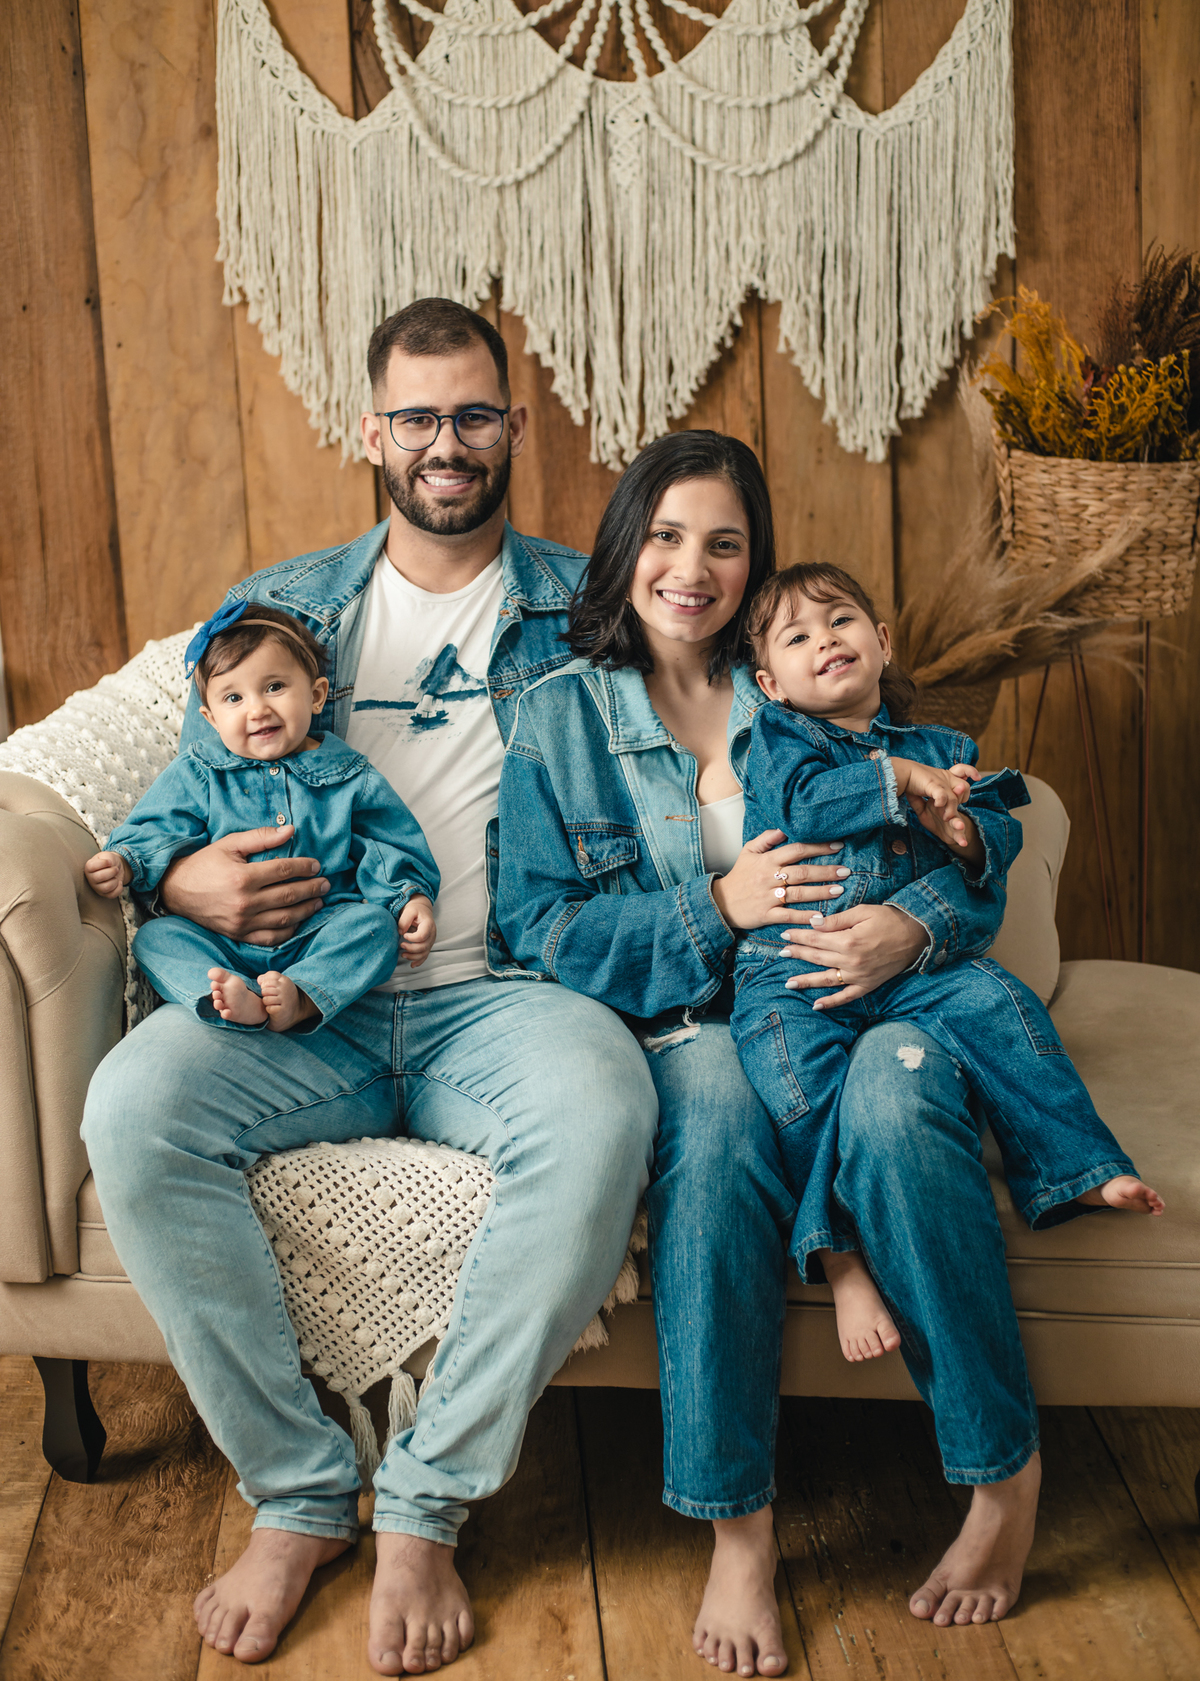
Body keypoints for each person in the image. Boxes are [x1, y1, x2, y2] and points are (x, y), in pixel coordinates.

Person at [81, 298, 659, 1677]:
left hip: (501, 992)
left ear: (515, 425)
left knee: (603, 1113)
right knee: (133, 1113)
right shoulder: (287, 607)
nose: (446, 444)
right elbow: (190, 787)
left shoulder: (590, 609)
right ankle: (297, 1490)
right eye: (417, 417)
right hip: (300, 1000)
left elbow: (687, 752)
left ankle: (425, 1500)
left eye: (474, 415)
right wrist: (176, 885)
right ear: (371, 430)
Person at [495, 430, 1074, 1674]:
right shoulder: (561, 716)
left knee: (900, 1097)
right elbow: (537, 927)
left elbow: (950, 834)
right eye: (665, 536)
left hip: (857, 1000)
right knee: (712, 1125)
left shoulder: (803, 678)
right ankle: (739, 1532)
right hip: (687, 1023)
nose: (690, 568)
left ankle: (1001, 1476)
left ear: (754, 567)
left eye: (724, 543)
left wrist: (912, 929)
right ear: (626, 546)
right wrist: (718, 906)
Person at [730, 561, 1163, 1365]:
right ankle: (843, 1263)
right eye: (798, 636)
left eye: (841, 620)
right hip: (792, 971)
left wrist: (964, 834)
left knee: (1001, 1000)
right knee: (799, 1088)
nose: (825, 639)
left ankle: (1078, 1164)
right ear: (771, 683)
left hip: (915, 973)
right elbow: (806, 804)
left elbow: (998, 830)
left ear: (882, 642)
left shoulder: (943, 747)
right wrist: (898, 779)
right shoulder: (778, 743)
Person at [86, 605, 439, 1031]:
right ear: (211, 719)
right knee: (155, 939)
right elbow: (162, 825)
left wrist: (409, 898)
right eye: (234, 698)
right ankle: (230, 998)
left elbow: (386, 845)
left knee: (375, 929)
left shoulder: (348, 776)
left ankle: (302, 997)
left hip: (319, 932)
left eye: (274, 687)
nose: (256, 710)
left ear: (316, 695)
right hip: (223, 942)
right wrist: (126, 860)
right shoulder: (201, 772)